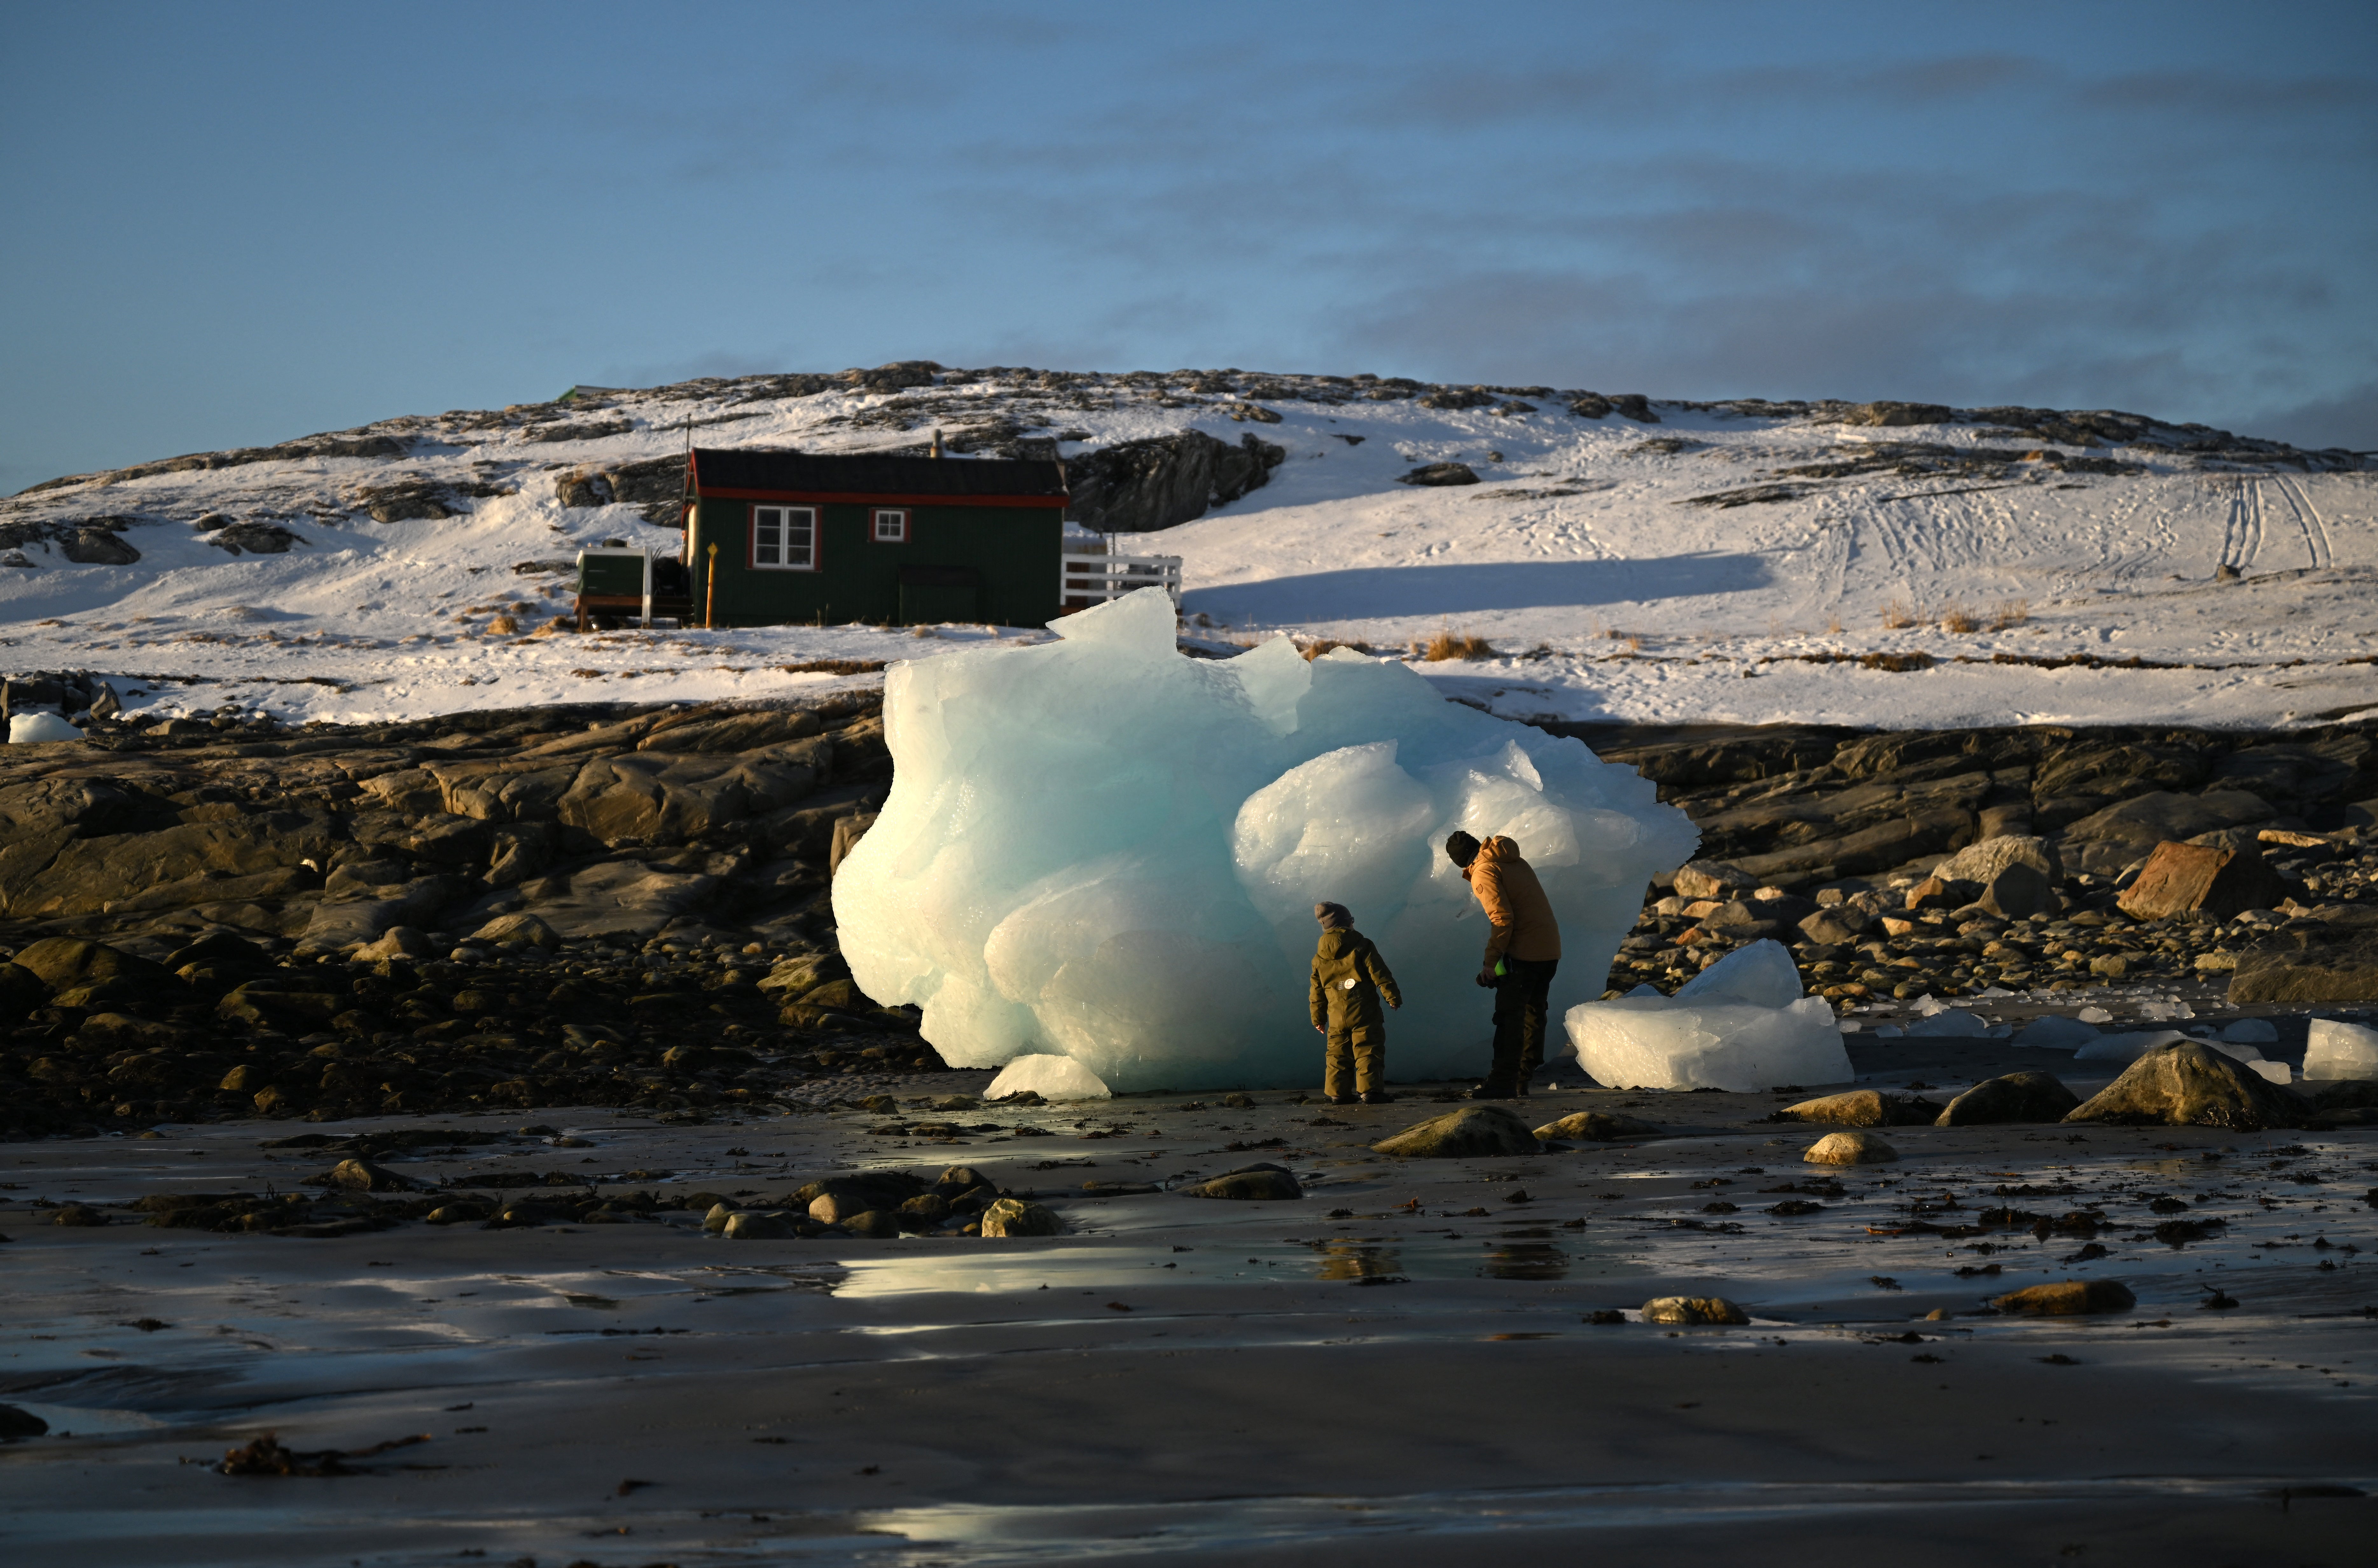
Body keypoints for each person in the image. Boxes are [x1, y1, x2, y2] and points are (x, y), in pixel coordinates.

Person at [1444, 831, 1561, 1099]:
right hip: (1548, 948)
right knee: (1534, 1014)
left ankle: (1503, 1082)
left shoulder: (1483, 872)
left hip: (1524, 953)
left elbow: (1502, 919)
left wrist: (1490, 963)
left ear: (1461, 863)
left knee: (1510, 1018)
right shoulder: (1512, 860)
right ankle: (1521, 1077)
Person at [1308, 901, 1401, 1106]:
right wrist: (1392, 997)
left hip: (1336, 1014)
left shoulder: (1319, 957)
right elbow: (1380, 973)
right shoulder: (1363, 945)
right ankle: (1371, 1092)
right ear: (1346, 923)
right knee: (1368, 1048)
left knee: (1337, 1053)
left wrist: (1318, 1018)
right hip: (1363, 1009)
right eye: (1351, 920)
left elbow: (1317, 992)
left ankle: (1339, 1094)